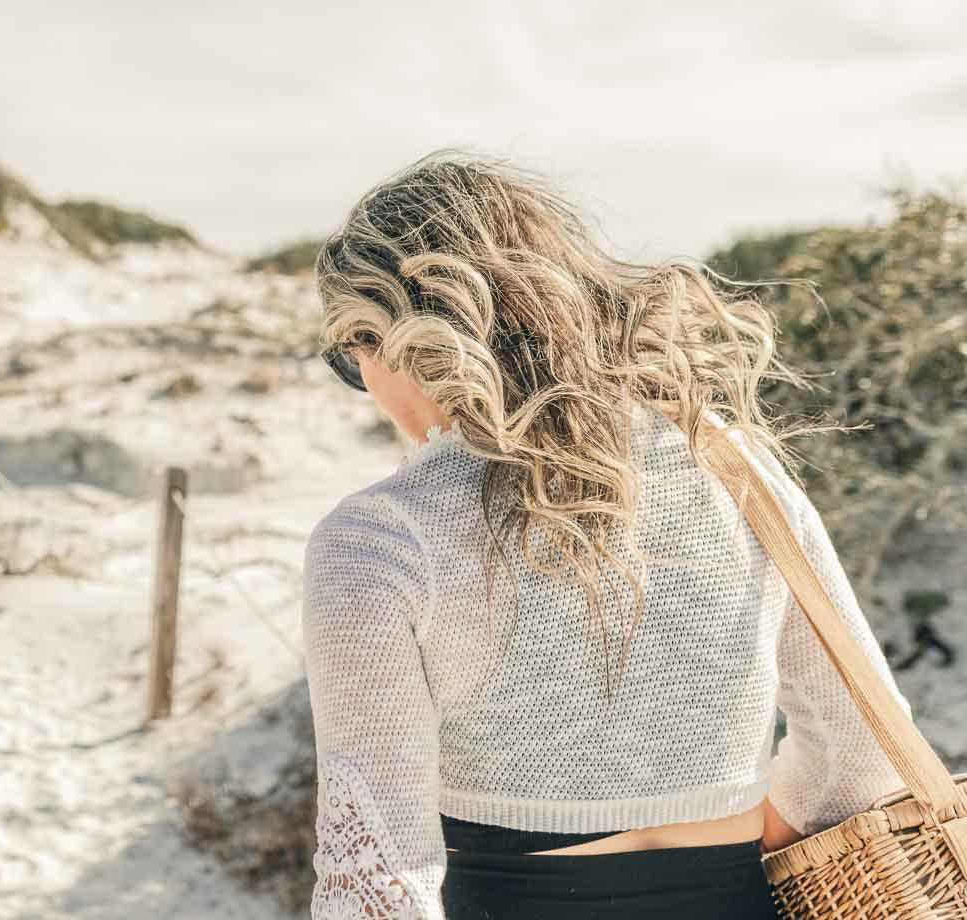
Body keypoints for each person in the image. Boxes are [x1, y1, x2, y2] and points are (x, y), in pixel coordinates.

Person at [301, 154, 911, 918]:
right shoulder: (724, 460)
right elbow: (860, 750)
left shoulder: (379, 537)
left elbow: (379, 873)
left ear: (391, 339)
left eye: (349, 357)